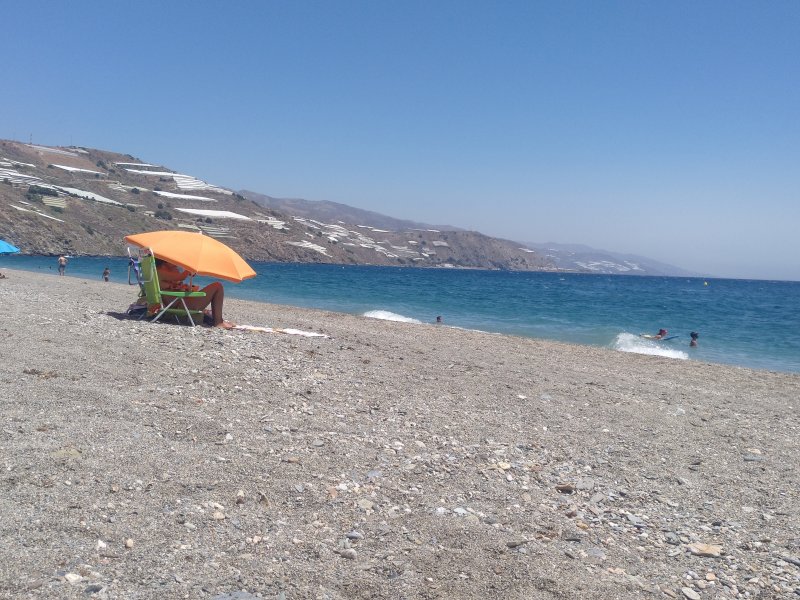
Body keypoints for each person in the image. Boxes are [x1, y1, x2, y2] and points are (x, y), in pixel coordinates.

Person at [155, 259, 235, 329]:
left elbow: (173, 285)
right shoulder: (160, 271)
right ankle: (218, 322)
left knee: (216, 286)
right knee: (217, 286)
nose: (177, 263)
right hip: (180, 304)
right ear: (165, 260)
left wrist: (183, 287)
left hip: (178, 302)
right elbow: (180, 277)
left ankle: (218, 320)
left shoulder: (163, 271)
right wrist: (189, 269)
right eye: (174, 260)